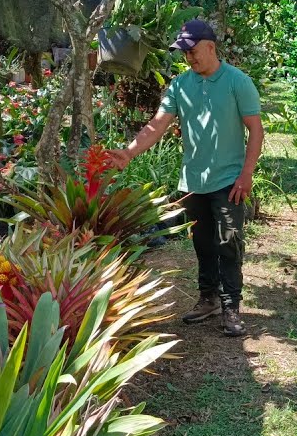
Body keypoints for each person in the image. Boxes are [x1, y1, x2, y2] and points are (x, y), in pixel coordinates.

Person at [106, 19, 263, 337]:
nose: (188, 58)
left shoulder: (237, 81)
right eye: (184, 53)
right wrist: (129, 152)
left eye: (192, 51)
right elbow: (157, 124)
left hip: (229, 181)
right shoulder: (180, 85)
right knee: (203, 244)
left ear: (210, 47)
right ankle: (208, 299)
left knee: (228, 243)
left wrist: (246, 175)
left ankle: (231, 307)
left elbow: (256, 130)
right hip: (193, 182)